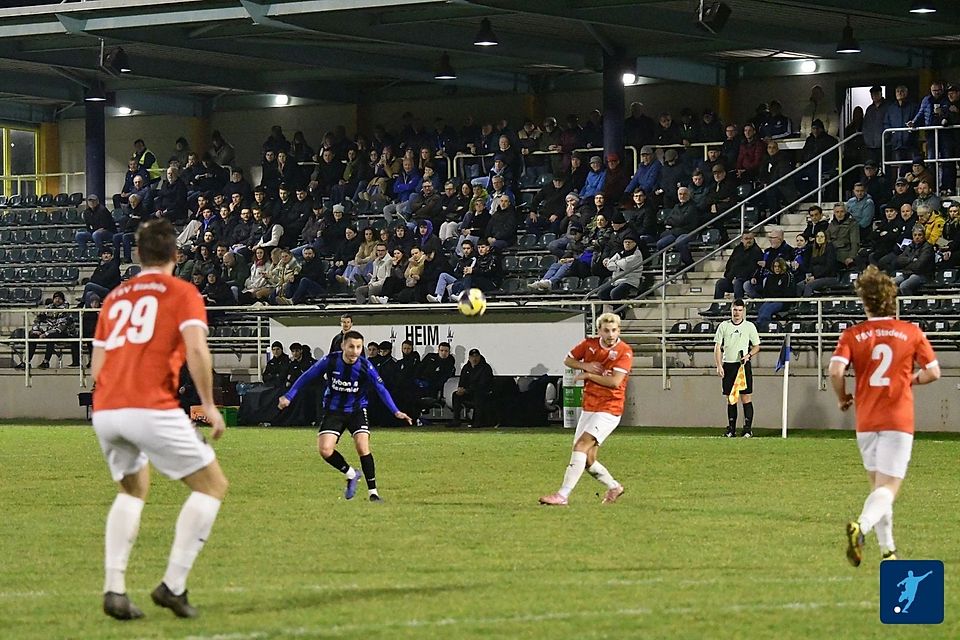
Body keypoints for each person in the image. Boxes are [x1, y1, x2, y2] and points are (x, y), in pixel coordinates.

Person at [90, 219, 228, 620]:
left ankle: (114, 589)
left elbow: (98, 364)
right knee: (211, 486)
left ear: (137, 255)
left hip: (107, 408)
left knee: (132, 491)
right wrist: (209, 404)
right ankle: (173, 585)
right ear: (175, 255)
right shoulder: (182, 291)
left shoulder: (115, 296)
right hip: (149, 405)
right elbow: (197, 351)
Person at [829, 266, 940, 566]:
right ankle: (861, 528)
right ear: (892, 299)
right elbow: (933, 372)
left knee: (879, 488)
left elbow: (836, 370)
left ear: (865, 302)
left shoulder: (853, 334)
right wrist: (910, 380)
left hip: (866, 419)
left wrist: (842, 398)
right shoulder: (910, 332)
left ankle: (888, 551)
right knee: (889, 489)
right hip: (897, 418)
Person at [278, 330, 412, 502]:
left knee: (363, 447)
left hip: (357, 410)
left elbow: (381, 389)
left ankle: (373, 493)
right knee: (325, 450)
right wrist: (289, 396)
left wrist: (396, 411)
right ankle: (351, 473)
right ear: (343, 346)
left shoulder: (365, 366)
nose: (354, 351)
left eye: (358, 347)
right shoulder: (331, 360)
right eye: (351, 347)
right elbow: (306, 377)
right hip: (334, 410)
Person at [539, 313, 632, 506]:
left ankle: (562, 495)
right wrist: (585, 365)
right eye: (606, 330)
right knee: (588, 460)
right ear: (599, 331)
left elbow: (614, 382)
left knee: (580, 446)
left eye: (614, 330)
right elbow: (568, 360)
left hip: (609, 408)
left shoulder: (624, 351)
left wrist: (588, 375)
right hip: (590, 406)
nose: (611, 334)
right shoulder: (589, 344)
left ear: (619, 330)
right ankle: (614, 487)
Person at [714, 299, 761, 438]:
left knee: (746, 397)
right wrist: (718, 365)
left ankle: (747, 429)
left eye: (740, 310)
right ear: (731, 310)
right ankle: (731, 429)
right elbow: (717, 346)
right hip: (728, 364)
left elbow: (757, 346)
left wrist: (748, 355)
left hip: (742, 365)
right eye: (735, 310)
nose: (737, 313)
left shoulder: (749, 326)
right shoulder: (724, 326)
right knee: (731, 398)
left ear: (744, 311)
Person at [450, 348, 494, 428]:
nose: (474, 358)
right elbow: (462, 381)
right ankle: (456, 420)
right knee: (456, 395)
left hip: (481, 393)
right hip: (469, 393)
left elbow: (483, 385)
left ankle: (477, 422)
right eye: (472, 356)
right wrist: (460, 389)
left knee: (478, 396)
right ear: (469, 358)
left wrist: (467, 390)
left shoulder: (485, 368)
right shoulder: (466, 368)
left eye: (476, 356)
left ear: (479, 357)